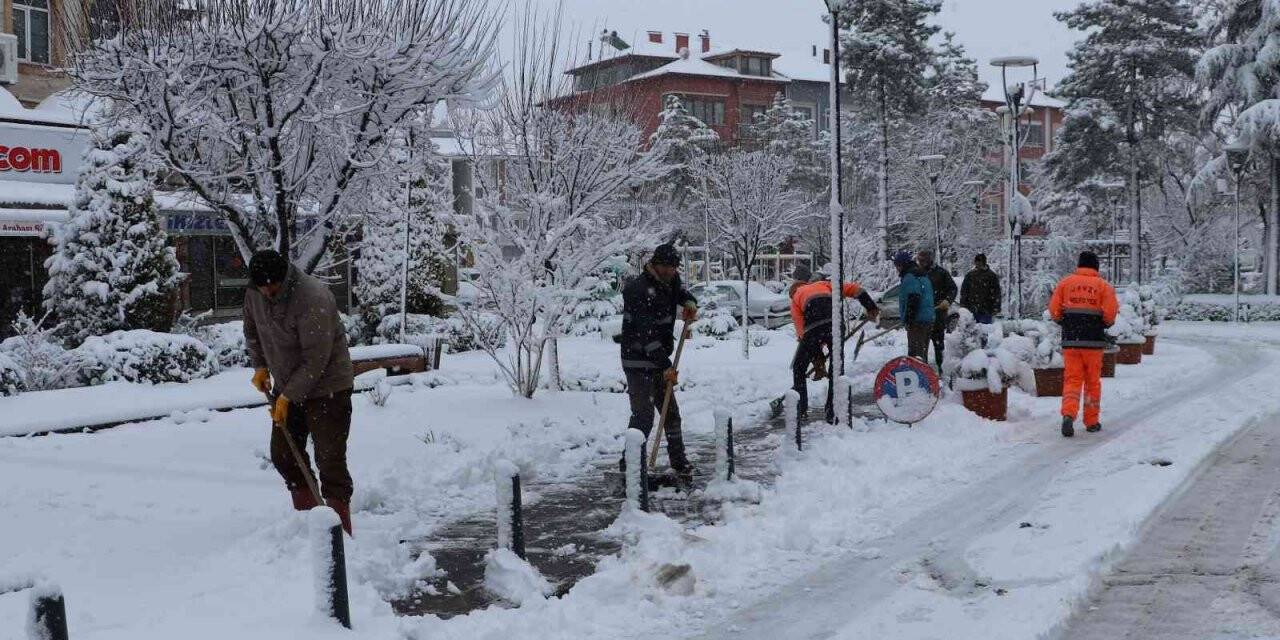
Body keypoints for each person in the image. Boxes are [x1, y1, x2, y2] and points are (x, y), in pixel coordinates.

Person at [244, 250, 356, 535]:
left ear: (284, 277)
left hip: (329, 387)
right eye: (262, 287)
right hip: (288, 385)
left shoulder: (312, 298)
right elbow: (252, 331)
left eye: (273, 286)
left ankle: (338, 535)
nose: (267, 292)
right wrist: (260, 366)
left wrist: (287, 396)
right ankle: (309, 522)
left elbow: (316, 360)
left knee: (329, 459)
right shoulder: (255, 293)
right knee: (284, 454)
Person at [619, 243, 698, 483]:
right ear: (655, 265)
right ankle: (629, 465)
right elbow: (646, 335)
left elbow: (680, 292)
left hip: (659, 358)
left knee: (671, 414)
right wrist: (666, 366)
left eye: (674, 268)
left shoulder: (669, 282)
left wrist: (689, 302)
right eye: (666, 267)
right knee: (643, 416)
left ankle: (679, 462)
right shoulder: (637, 290)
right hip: (637, 360)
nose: (671, 272)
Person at [789, 264, 879, 416]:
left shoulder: (796, 298)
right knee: (836, 368)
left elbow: (803, 334)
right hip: (835, 326)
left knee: (799, 367)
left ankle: (801, 408)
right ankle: (832, 410)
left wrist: (817, 357)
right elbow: (857, 290)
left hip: (814, 330)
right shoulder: (825, 284)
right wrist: (871, 307)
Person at [1048, 251, 1119, 438]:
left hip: (1071, 340)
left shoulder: (1065, 283)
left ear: (1079, 265)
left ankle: (1068, 414)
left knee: (1072, 380)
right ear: (1096, 266)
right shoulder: (1103, 286)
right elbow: (1110, 313)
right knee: (1092, 382)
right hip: (1093, 342)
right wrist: (1103, 323)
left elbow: (1054, 310)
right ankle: (1091, 421)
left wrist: (1064, 321)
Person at [917, 249, 957, 370]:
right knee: (921, 346)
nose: (921, 263)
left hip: (938, 313)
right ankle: (923, 370)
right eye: (920, 260)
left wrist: (947, 300)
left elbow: (952, 288)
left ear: (930, 260)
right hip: (922, 315)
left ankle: (941, 368)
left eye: (924, 260)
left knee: (938, 343)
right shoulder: (917, 273)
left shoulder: (941, 273)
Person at [894, 251, 935, 362]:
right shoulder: (921, 274)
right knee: (921, 353)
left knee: (915, 355)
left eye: (897, 265)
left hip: (917, 321)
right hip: (926, 319)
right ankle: (923, 370)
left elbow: (914, 298)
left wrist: (909, 320)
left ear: (902, 264)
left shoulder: (910, 276)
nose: (896, 268)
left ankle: (918, 372)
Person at [959, 253, 1002, 324]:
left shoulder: (991, 276)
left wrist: (996, 308)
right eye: (976, 262)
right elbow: (964, 291)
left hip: (986, 309)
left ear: (984, 262)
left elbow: (996, 293)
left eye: (979, 262)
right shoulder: (970, 275)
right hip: (971, 309)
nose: (977, 264)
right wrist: (963, 304)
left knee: (985, 328)